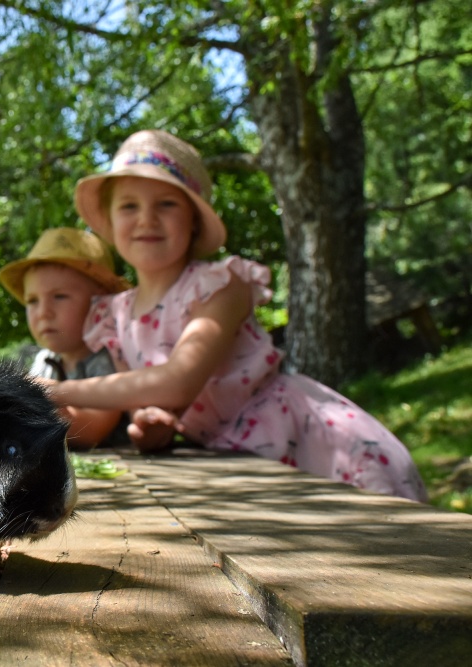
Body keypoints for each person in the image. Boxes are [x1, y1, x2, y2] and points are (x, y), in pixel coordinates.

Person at [44, 129, 428, 501]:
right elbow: (162, 398)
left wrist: (48, 390)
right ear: (109, 222)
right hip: (234, 468)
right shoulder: (117, 315)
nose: (147, 219)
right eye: (129, 205)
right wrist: (154, 425)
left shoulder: (222, 284)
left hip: (311, 443)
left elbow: (178, 380)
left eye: (166, 203)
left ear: (194, 220)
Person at [0, 227, 132, 450]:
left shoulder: (108, 358)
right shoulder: (44, 360)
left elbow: (95, 429)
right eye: (32, 301)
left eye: (59, 297)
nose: (43, 312)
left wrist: (39, 403)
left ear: (102, 305)